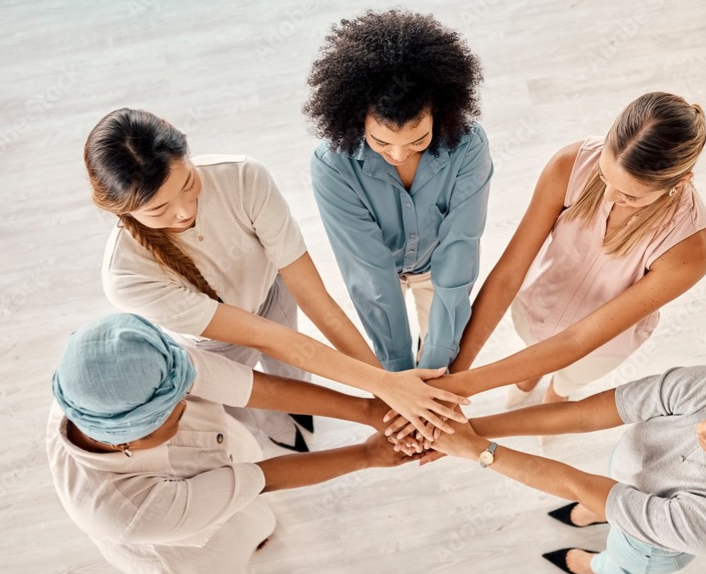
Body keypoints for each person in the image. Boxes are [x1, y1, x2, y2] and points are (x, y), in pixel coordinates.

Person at [87, 108, 466, 448]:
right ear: (122, 210)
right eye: (159, 209)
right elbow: (269, 340)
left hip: (273, 293)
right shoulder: (127, 277)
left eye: (188, 184)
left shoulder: (241, 177)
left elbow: (315, 300)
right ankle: (273, 438)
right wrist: (385, 388)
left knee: (295, 375)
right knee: (246, 406)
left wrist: (387, 384)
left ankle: (301, 425)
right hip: (210, 343)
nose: (185, 211)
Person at [47, 314, 417, 574]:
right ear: (126, 439)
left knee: (248, 508)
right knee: (227, 549)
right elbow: (263, 478)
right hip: (177, 534)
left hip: (220, 452)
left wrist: (369, 410)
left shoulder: (142, 368)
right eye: (174, 416)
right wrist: (368, 455)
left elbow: (255, 389)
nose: (189, 405)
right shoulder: (129, 511)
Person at [422, 365, 706, 574]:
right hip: (625, 481)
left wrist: (479, 451)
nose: (696, 427)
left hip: (648, 545)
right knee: (604, 499)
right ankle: (597, 513)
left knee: (618, 556)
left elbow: (579, 483)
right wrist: (468, 429)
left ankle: (594, 566)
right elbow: (581, 415)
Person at [448, 91, 706, 406]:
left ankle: (557, 393)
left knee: (568, 380)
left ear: (681, 181)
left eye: (631, 196)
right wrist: (453, 377)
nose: (610, 197)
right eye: (604, 175)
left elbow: (578, 341)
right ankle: (525, 382)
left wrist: (461, 387)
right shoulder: (571, 164)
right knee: (527, 356)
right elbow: (508, 274)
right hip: (539, 306)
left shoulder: (690, 249)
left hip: (598, 346)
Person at [305, 9, 493, 373]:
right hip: (382, 272)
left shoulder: (468, 146)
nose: (398, 154)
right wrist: (399, 377)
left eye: (418, 140)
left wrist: (435, 366)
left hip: (438, 269)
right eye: (380, 141)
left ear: (440, 112)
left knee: (440, 345)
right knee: (394, 343)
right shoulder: (332, 165)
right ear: (357, 117)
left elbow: (460, 250)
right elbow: (370, 275)